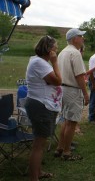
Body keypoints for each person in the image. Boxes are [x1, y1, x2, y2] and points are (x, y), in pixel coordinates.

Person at [25, 36, 62, 180]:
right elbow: (58, 80)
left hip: (44, 104)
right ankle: (34, 177)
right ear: (49, 49)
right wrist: (55, 62)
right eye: (55, 48)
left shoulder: (39, 62)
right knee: (38, 145)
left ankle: (38, 172)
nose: (57, 50)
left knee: (41, 142)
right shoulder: (40, 63)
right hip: (41, 105)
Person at [55, 28, 89, 160]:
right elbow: (80, 76)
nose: (83, 38)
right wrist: (86, 94)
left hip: (62, 89)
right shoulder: (75, 53)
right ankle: (67, 152)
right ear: (75, 38)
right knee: (72, 121)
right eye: (81, 36)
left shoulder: (62, 52)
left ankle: (60, 147)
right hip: (72, 90)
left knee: (66, 119)